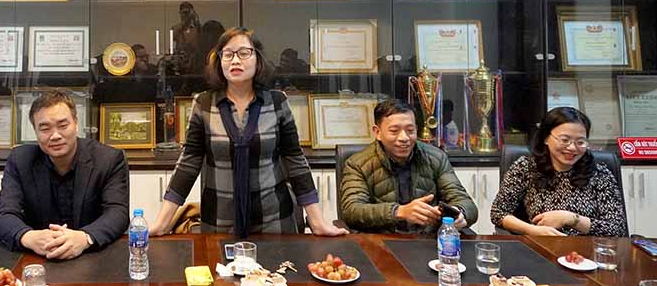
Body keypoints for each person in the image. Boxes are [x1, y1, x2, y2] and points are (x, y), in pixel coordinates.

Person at [149, 27, 347, 237]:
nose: (235, 60)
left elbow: (295, 161)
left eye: (244, 53)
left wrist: (317, 221)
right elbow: (188, 164)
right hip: (219, 221)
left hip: (274, 221)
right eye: (228, 54)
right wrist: (162, 223)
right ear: (219, 61)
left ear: (257, 60)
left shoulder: (276, 102)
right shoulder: (204, 104)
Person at [0, 89, 130, 259]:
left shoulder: (108, 159)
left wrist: (84, 238)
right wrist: (28, 237)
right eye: (45, 129)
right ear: (35, 131)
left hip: (93, 257)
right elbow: (4, 215)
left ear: (76, 123)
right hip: (38, 258)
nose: (55, 135)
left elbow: (118, 213)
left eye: (63, 126)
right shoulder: (20, 160)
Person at [339, 99, 477, 234]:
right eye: (394, 131)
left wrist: (460, 213)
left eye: (410, 130)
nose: (404, 138)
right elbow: (351, 210)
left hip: (428, 240)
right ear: (377, 132)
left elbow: (465, 202)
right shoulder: (357, 164)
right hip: (380, 241)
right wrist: (399, 212)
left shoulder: (436, 158)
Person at [490, 107, 628, 236]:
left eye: (580, 142)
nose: (572, 148)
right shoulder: (526, 167)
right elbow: (499, 212)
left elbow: (617, 228)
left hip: (589, 250)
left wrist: (570, 219)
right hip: (542, 245)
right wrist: (532, 230)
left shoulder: (599, 173)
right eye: (564, 140)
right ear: (546, 138)